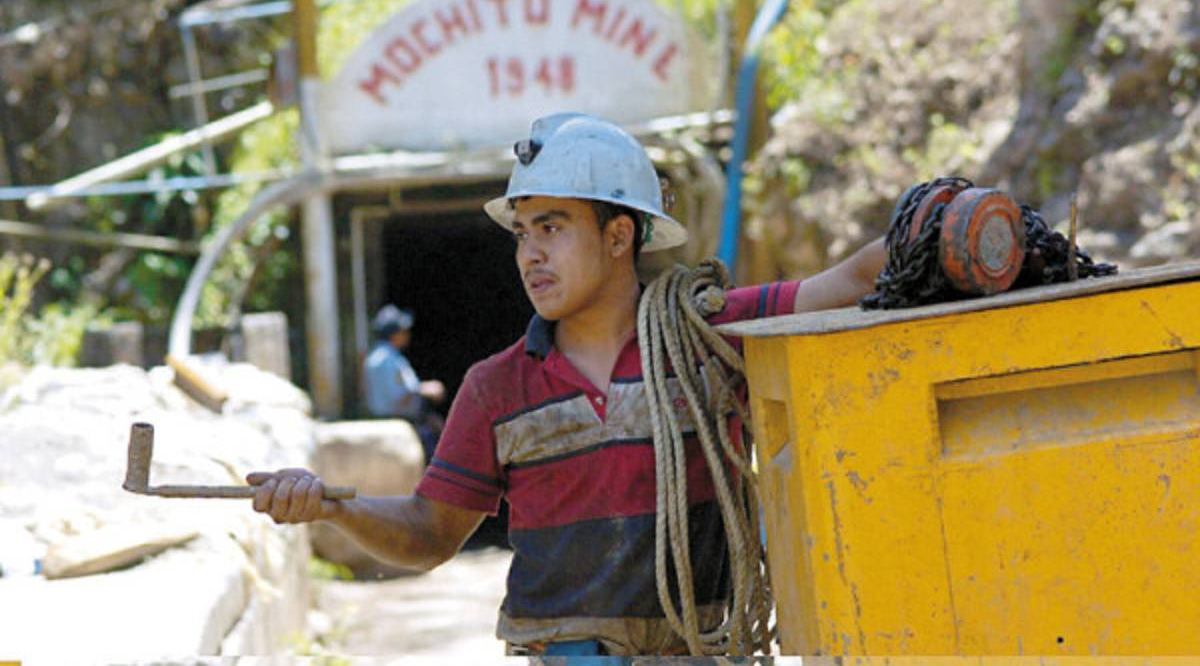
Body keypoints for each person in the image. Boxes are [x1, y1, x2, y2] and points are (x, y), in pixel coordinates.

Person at [248, 113, 886, 656]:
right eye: (522, 234)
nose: (529, 254)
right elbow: (427, 534)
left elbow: (850, 283)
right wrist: (333, 507)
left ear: (618, 235)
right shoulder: (495, 389)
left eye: (552, 227)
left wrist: (940, 227)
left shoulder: (708, 334)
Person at [361, 304, 446, 459]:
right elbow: (401, 395)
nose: (407, 334)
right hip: (399, 423)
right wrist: (427, 389)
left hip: (380, 420)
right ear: (395, 334)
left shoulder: (373, 358)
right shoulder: (390, 360)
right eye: (403, 330)